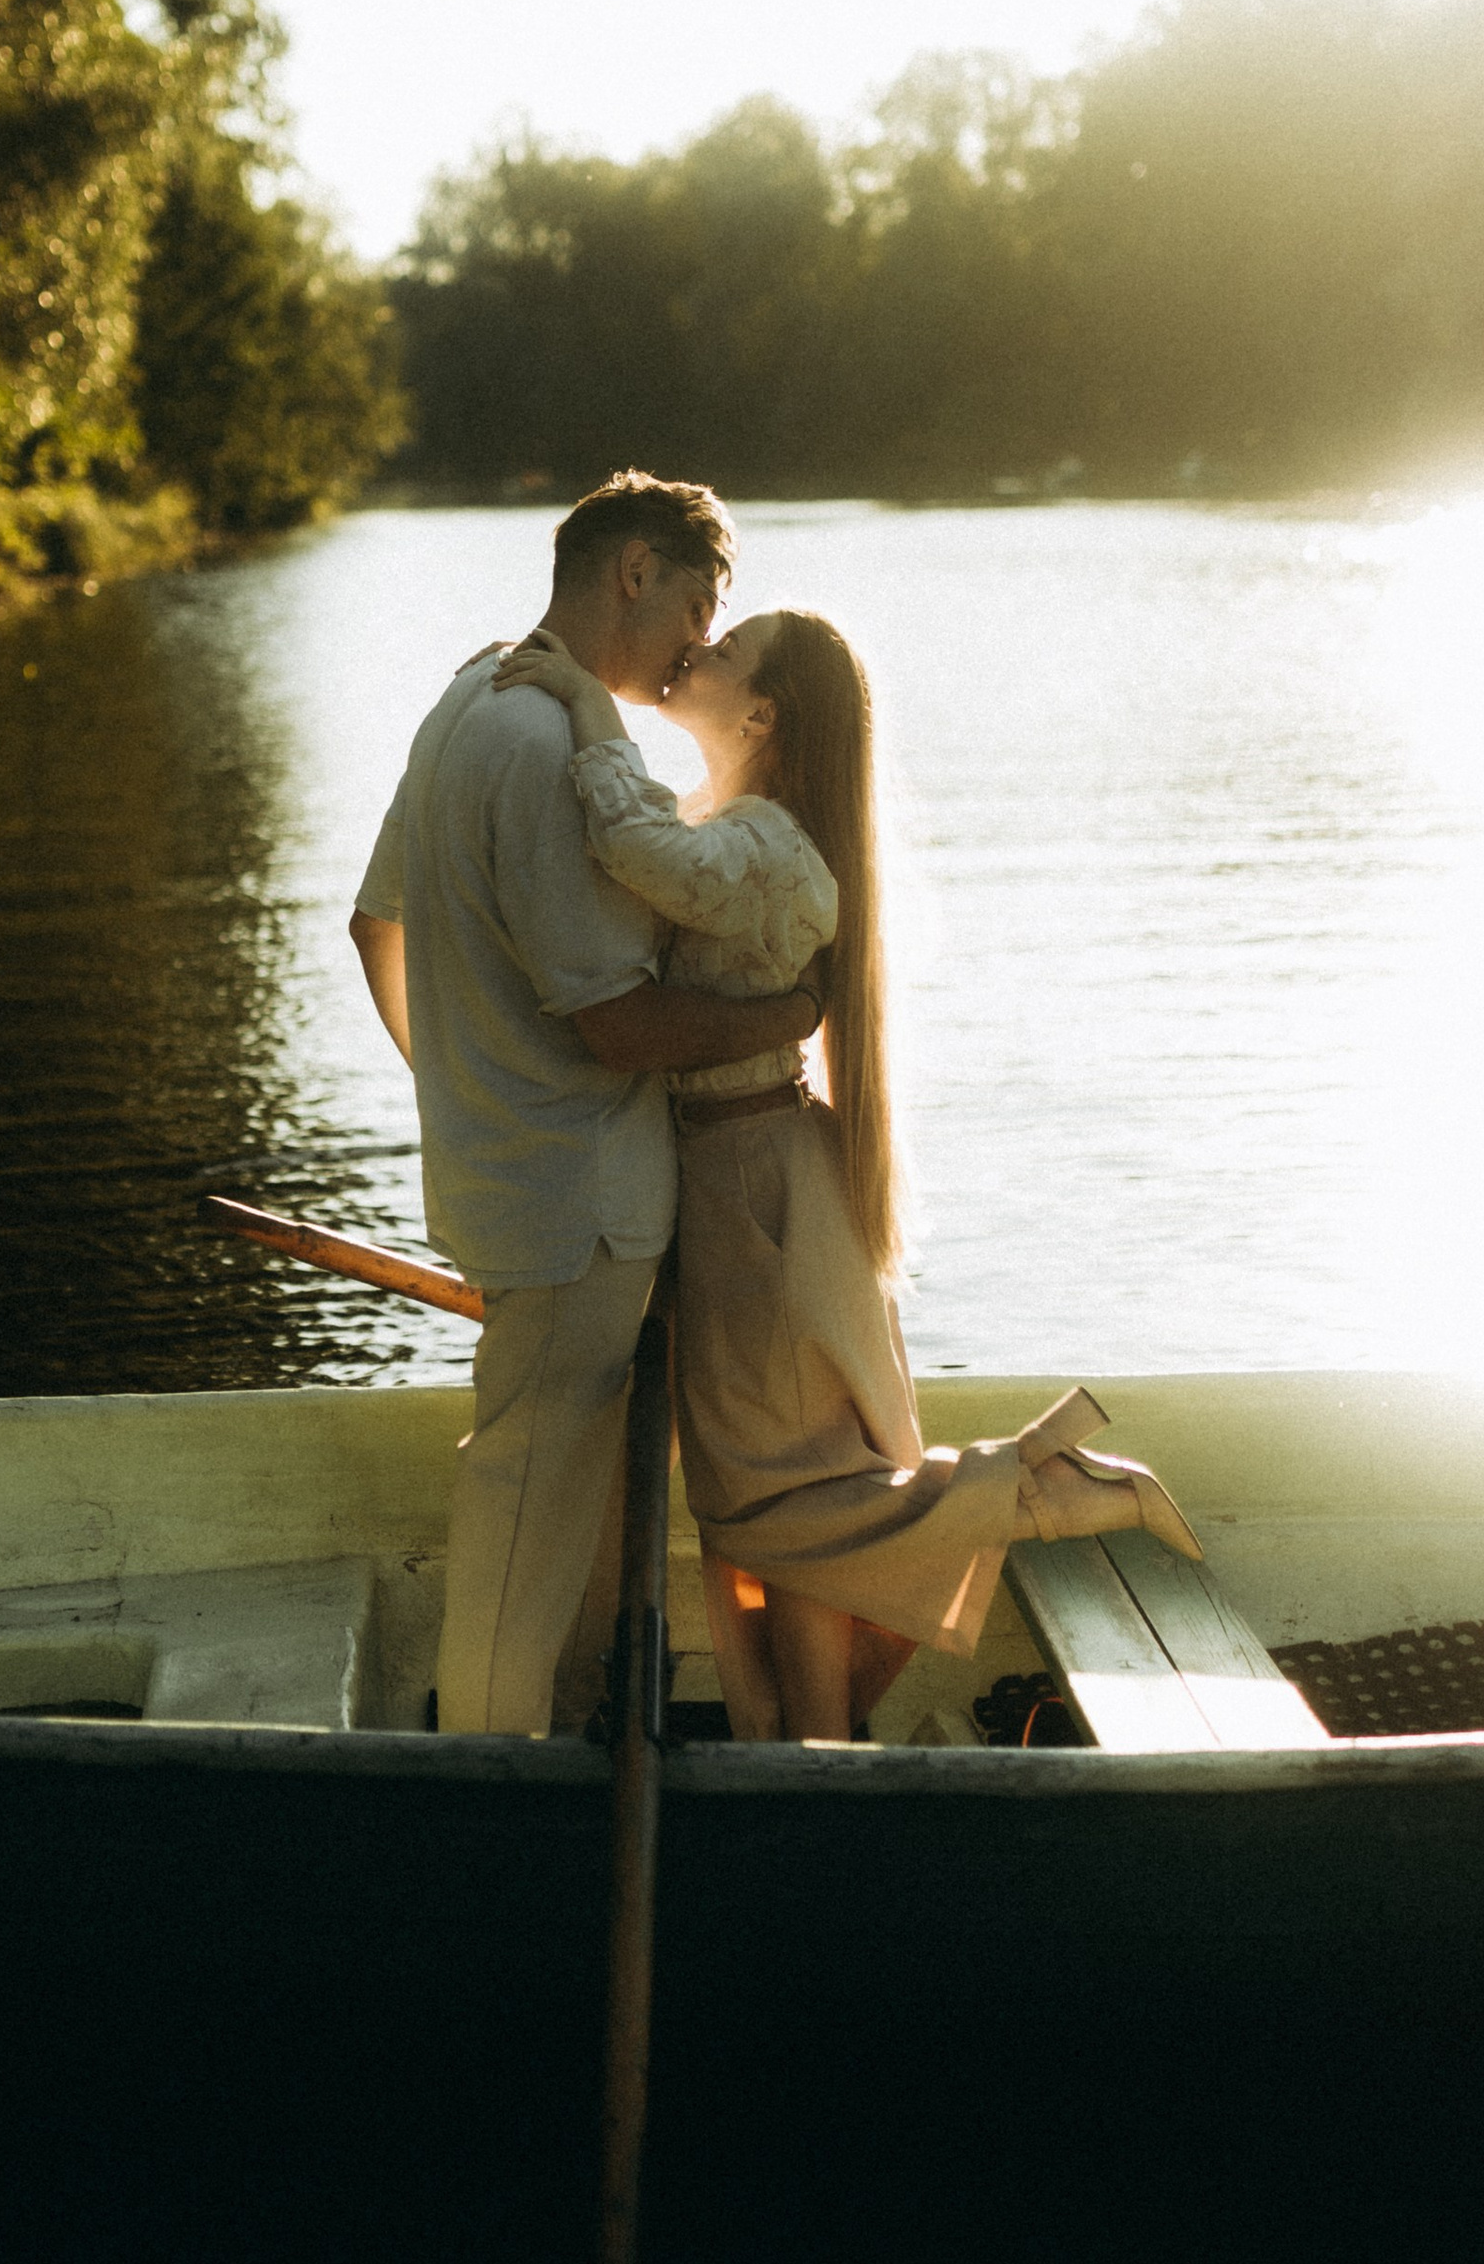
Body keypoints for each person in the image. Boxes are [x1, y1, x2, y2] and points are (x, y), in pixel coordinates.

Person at [491, 603, 1200, 1742]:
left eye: (725, 652)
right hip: (745, 1183)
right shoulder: (736, 823)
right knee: (786, 1495)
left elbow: (631, 850)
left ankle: (1032, 1491)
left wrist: (584, 703)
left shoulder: (767, 846)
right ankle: (810, 1742)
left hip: (753, 1189)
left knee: (771, 1498)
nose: (698, 652)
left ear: (762, 712)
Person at [349, 473, 830, 1735]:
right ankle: (490, 1773)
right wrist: (780, 1022)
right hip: (582, 1210)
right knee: (523, 1517)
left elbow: (373, 925)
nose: (695, 642)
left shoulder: (464, 699)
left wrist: (468, 1092)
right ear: (634, 574)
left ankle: (564, 1731)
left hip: (507, 1180)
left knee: (553, 1499)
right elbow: (618, 1026)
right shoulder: (553, 742)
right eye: (697, 601)